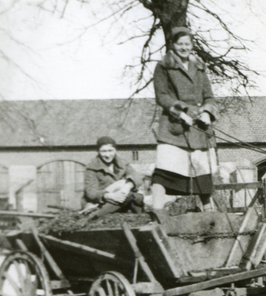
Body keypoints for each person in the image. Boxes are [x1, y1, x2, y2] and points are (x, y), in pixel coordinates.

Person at [151, 26, 219, 216]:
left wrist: (207, 113)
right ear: (172, 45)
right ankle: (157, 216)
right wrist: (181, 113)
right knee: (164, 174)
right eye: (180, 44)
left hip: (198, 129)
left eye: (187, 44)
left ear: (192, 45)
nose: (184, 47)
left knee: (203, 180)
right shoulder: (163, 66)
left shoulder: (199, 66)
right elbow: (162, 96)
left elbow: (209, 96)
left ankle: (211, 219)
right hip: (174, 128)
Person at [82, 136, 144, 217]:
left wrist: (128, 186)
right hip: (104, 203)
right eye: (103, 151)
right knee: (128, 194)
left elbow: (137, 176)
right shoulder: (92, 167)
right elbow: (91, 192)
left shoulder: (122, 163)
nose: (107, 155)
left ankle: (139, 219)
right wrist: (108, 196)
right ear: (98, 151)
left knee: (136, 197)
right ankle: (93, 216)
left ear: (115, 150)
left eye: (110, 150)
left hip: (122, 199)